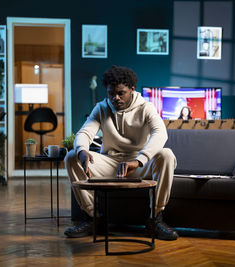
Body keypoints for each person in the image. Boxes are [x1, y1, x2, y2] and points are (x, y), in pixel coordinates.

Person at [64, 65, 178, 241]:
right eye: (111, 93)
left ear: (132, 89)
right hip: (111, 164)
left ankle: (155, 219)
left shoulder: (146, 108)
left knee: (166, 155)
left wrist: (139, 161)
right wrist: (82, 151)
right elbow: (85, 133)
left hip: (138, 165)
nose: (115, 98)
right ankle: (93, 218)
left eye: (121, 93)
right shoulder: (101, 108)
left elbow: (160, 133)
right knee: (72, 156)